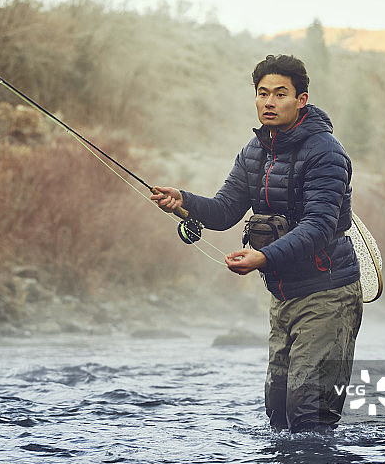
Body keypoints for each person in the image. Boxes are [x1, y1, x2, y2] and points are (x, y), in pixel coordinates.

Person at [151, 54, 363, 432]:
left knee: (309, 413)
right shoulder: (254, 152)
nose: (269, 101)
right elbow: (223, 210)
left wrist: (262, 257)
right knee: (278, 411)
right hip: (284, 297)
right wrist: (183, 201)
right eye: (262, 93)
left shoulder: (327, 152)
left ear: (302, 100)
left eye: (280, 94)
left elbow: (318, 227)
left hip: (329, 295)